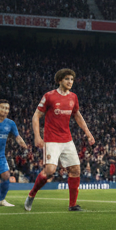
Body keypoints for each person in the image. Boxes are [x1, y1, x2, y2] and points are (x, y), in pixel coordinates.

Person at [25, 68, 96, 212]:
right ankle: (32, 194)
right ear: (59, 80)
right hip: (51, 140)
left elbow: (77, 115)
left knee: (75, 169)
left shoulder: (73, 97)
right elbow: (36, 116)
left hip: (67, 140)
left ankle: (72, 205)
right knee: (50, 170)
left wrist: (88, 133)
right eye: (67, 79)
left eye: (72, 79)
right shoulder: (49, 96)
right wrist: (37, 136)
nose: (70, 82)